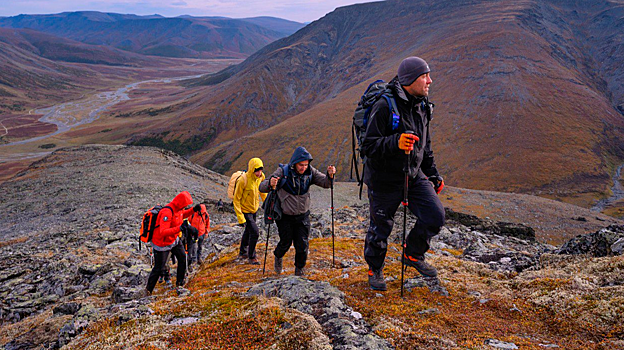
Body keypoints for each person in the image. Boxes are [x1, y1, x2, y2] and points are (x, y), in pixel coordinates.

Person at [360, 56, 446, 291]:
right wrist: (395, 142)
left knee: (435, 216)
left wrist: (433, 174)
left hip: (413, 174)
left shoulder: (422, 105)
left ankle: (413, 254)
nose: (430, 80)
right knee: (381, 228)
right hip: (384, 179)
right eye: (424, 76)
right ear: (410, 79)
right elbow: (368, 147)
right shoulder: (385, 105)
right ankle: (375, 269)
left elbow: (425, 146)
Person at [259, 146, 336, 276]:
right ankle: (278, 256)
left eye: (306, 165)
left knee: (302, 245)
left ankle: (299, 270)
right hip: (285, 216)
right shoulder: (283, 171)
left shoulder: (310, 172)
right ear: (295, 163)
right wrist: (270, 183)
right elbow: (262, 187)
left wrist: (330, 176)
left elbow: (326, 183)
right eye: (301, 165)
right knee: (286, 242)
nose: (303, 168)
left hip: (303, 216)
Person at [146, 191, 195, 294]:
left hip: (173, 240)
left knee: (182, 258)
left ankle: (180, 283)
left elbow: (182, 215)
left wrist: (193, 210)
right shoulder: (167, 212)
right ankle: (148, 290)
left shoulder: (179, 209)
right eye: (185, 205)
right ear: (180, 202)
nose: (186, 206)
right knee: (158, 268)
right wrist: (180, 228)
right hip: (162, 243)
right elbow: (163, 232)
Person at [233, 158, 267, 264]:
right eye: (257, 170)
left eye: (261, 170)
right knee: (255, 233)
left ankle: (243, 252)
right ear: (252, 169)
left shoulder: (261, 177)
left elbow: (262, 192)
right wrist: (240, 217)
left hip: (254, 209)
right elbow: (236, 199)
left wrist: (267, 204)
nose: (259, 173)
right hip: (245, 210)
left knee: (248, 231)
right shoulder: (243, 180)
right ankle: (252, 257)